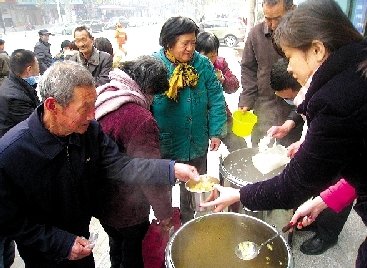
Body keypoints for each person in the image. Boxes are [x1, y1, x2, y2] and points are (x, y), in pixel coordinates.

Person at [201, 0, 367, 266]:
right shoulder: (355, 73)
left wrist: (239, 195)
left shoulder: (336, 100)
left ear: (317, 50)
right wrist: (323, 200)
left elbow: (293, 185)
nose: (288, 68)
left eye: (290, 57)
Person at [0, 61, 199, 268]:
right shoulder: (11, 153)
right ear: (52, 106)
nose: (93, 115)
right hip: (44, 254)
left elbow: (121, 165)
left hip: (83, 244)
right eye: (84, 108)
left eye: (93, 104)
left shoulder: (89, 132)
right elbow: (9, 220)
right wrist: (60, 243)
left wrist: (171, 169)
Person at [268, 57, 353, 255]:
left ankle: (328, 235)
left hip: (344, 152)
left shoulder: (331, 95)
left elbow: (330, 131)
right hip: (323, 143)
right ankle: (317, 221)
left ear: (301, 84)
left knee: (337, 187)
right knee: (319, 186)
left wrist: (309, 146)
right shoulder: (307, 90)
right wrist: (299, 137)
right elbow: (307, 119)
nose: (290, 102)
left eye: (289, 97)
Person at [95, 56, 171, 268]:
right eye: (154, 94)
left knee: (116, 247)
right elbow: (150, 173)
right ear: (148, 88)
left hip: (102, 201)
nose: (153, 100)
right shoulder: (138, 118)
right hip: (128, 209)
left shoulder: (107, 93)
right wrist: (164, 214)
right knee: (132, 256)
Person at [152, 16, 227, 223]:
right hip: (166, 143)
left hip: (196, 141)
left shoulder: (202, 64)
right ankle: (165, 222)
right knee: (163, 191)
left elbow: (217, 98)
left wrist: (216, 131)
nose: (190, 48)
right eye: (185, 43)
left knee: (192, 188)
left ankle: (189, 220)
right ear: (169, 42)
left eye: (193, 42)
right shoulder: (155, 65)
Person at [238, 0, 301, 147]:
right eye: (267, 18)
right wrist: (247, 98)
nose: (272, 25)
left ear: (291, 10)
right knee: (260, 152)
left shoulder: (303, 35)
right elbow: (248, 68)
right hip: (264, 108)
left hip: (294, 111)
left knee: (288, 158)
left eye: (277, 19)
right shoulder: (255, 34)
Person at [0, 48, 41, 268]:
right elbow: (33, 128)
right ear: (28, 69)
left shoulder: (13, 86)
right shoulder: (15, 97)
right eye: (36, 66)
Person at [196, 31, 246, 152]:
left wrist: (223, 80)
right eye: (207, 56)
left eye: (214, 55)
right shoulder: (191, 67)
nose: (211, 60)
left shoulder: (220, 63)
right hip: (198, 116)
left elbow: (234, 86)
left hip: (220, 112)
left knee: (239, 144)